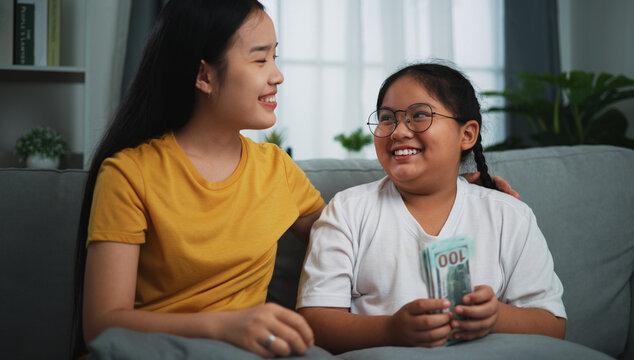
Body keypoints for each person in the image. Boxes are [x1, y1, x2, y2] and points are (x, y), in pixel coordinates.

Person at [73, 1, 518, 358]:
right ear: (205, 75)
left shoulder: (276, 169)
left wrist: (455, 188)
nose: (277, 74)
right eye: (260, 58)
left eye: (276, 56)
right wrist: (226, 323)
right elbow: (102, 322)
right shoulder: (129, 174)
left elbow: (360, 235)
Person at [296, 63, 566, 354]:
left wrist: (498, 317)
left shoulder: (508, 216)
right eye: (387, 118)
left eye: (420, 115)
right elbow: (314, 322)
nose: (399, 131)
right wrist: (390, 330)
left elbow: (552, 325)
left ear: (467, 134)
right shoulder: (348, 211)